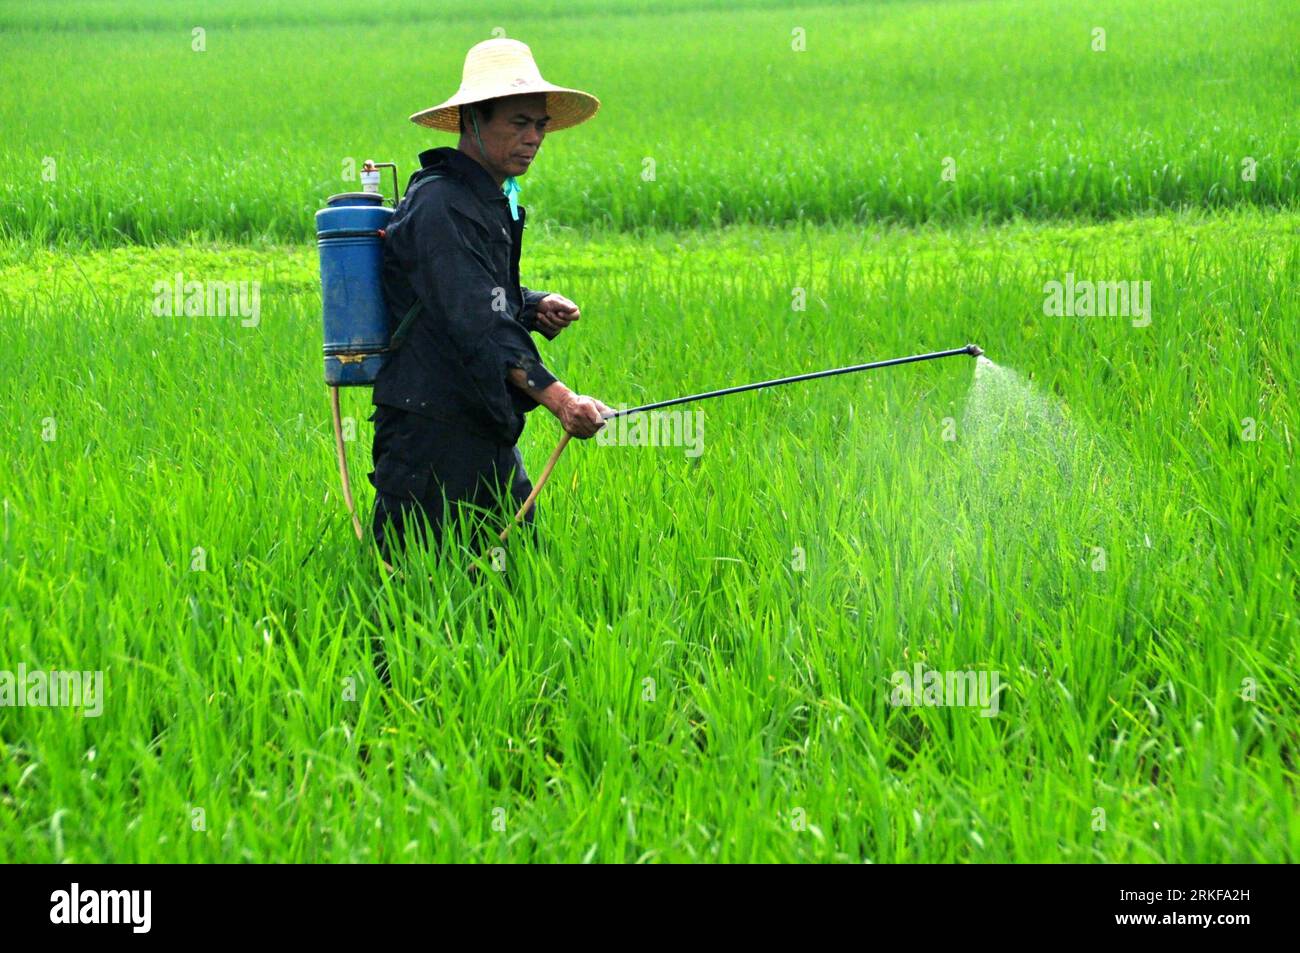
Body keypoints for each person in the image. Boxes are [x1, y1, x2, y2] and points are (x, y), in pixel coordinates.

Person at [369, 38, 613, 566]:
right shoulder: (439, 204)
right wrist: (562, 401)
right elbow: (476, 320)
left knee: (513, 579)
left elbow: (474, 292)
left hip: (484, 421)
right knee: (414, 590)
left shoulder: (484, 198)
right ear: (473, 120)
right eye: (519, 123)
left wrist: (530, 305)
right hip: (429, 435)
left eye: (541, 125)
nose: (533, 138)